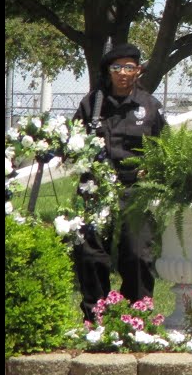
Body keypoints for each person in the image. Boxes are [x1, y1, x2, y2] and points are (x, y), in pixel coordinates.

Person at [71, 43, 166, 322]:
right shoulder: (92, 104)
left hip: (135, 189)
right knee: (90, 254)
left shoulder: (149, 106)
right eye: (116, 68)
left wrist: (153, 168)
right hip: (96, 188)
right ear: (108, 71)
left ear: (138, 71)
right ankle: (96, 317)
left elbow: (166, 149)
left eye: (128, 67)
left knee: (137, 255)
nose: (122, 73)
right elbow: (73, 144)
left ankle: (135, 317)